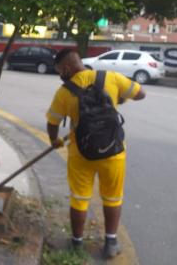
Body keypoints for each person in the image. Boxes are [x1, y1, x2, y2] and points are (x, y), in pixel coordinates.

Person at [45, 48, 145, 258]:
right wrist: (118, 98)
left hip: (81, 153)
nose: (59, 75)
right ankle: (110, 243)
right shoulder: (111, 77)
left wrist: (54, 141)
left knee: (79, 199)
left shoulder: (64, 92)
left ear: (66, 68)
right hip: (113, 152)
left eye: (59, 71)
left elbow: (52, 122)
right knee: (112, 198)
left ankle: (77, 244)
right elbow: (141, 93)